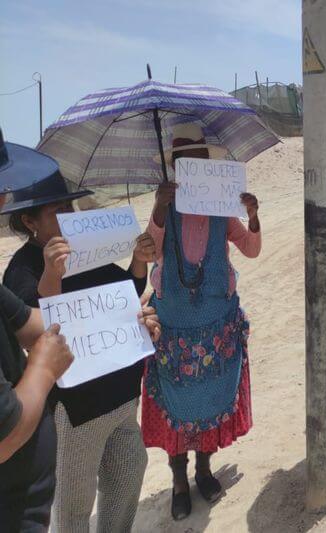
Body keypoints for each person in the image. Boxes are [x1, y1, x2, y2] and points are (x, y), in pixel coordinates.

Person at [0, 129, 160, 532]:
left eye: (69, 209)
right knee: (73, 508)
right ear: (29, 220)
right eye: (56, 212)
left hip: (123, 395)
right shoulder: (22, 270)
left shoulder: (88, 250)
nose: (67, 219)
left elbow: (123, 295)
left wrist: (139, 265)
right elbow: (40, 334)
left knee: (128, 476)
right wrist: (53, 274)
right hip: (76, 411)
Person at [140, 123, 261, 520]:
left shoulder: (222, 208)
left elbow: (252, 249)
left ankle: (205, 468)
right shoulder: (165, 208)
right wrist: (159, 207)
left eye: (199, 159)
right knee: (176, 401)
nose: (192, 165)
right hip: (174, 327)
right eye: (184, 160)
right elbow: (147, 253)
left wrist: (253, 216)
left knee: (210, 397)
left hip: (215, 326)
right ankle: (179, 480)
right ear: (176, 165)